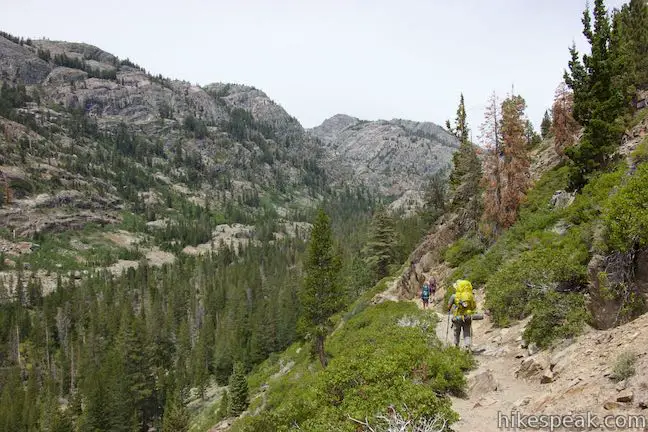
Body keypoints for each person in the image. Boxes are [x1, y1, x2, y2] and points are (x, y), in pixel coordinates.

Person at [447, 279, 476, 350]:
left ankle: (456, 346)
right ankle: (467, 346)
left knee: (457, 332)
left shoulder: (454, 296)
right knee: (467, 332)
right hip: (468, 316)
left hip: (457, 317)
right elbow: (474, 306)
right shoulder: (470, 296)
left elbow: (448, 307)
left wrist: (451, 308)